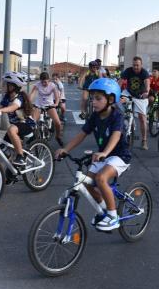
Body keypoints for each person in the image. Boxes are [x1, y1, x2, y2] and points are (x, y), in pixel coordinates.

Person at [55, 78, 131, 231]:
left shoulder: (116, 116)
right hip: (103, 156)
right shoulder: (95, 117)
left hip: (119, 156)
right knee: (85, 182)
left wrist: (104, 152)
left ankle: (113, 216)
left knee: (100, 178)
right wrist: (66, 149)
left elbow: (116, 136)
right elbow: (81, 134)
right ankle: (103, 210)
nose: (93, 102)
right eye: (92, 98)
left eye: (98, 98)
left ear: (110, 99)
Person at [0, 71, 35, 167]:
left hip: (27, 126)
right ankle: (11, 173)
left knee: (11, 129)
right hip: (15, 128)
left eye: (6, 84)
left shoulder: (19, 97)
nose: (3, 86)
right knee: (3, 150)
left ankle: (20, 157)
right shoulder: (7, 97)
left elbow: (13, 107)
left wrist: (0, 111)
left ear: (12, 86)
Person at [119, 56, 151, 150]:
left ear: (141, 65)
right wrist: (114, 91)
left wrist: (147, 92)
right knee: (117, 102)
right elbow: (120, 82)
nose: (135, 67)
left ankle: (144, 140)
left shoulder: (144, 72)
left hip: (141, 96)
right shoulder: (128, 71)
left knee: (142, 118)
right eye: (134, 65)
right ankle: (128, 117)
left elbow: (147, 83)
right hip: (129, 93)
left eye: (137, 65)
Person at [30, 72, 63, 146]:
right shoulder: (37, 85)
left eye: (46, 82)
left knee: (58, 123)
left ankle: (57, 137)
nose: (44, 83)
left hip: (49, 105)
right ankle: (33, 137)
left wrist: (56, 103)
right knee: (32, 123)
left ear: (49, 80)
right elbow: (32, 94)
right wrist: (29, 102)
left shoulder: (52, 85)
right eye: (42, 82)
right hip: (39, 105)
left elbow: (57, 96)